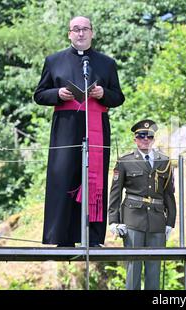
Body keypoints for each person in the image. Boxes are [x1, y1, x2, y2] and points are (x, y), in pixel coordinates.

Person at [34, 16, 125, 247]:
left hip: (96, 128)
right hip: (65, 129)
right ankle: (62, 237)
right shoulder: (54, 61)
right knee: (63, 178)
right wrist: (58, 94)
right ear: (69, 34)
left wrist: (103, 93)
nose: (81, 33)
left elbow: (118, 98)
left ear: (92, 33)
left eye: (85, 29)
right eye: (76, 29)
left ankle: (92, 237)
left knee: (94, 181)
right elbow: (39, 94)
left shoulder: (106, 63)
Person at [108, 119, 176, 290]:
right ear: (135, 139)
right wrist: (113, 221)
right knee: (134, 269)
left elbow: (169, 194)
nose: (145, 139)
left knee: (154, 270)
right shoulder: (125, 161)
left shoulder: (164, 162)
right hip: (133, 219)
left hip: (157, 220)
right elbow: (115, 192)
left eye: (149, 136)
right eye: (141, 136)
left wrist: (170, 222)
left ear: (153, 139)